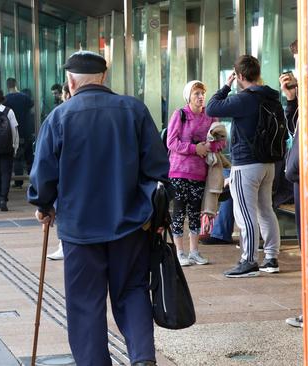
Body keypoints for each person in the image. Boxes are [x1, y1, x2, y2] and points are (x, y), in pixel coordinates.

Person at [29, 50, 168, 366]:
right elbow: (158, 168)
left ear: (71, 81)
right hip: (130, 223)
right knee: (132, 289)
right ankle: (143, 357)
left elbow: (44, 173)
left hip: (80, 230)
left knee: (85, 304)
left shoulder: (60, 117)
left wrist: (42, 203)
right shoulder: (134, 110)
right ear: (104, 77)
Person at [206, 55, 282, 278]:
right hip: (268, 163)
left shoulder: (245, 99)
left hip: (246, 164)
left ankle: (248, 261)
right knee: (265, 210)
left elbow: (212, 107)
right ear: (257, 73)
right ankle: (271, 258)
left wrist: (225, 85)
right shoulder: (271, 97)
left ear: (239, 76)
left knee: (246, 214)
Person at [167, 80, 223, 266]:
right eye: (196, 93)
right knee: (179, 212)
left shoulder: (211, 117)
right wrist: (194, 148)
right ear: (188, 96)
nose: (200, 97)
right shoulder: (180, 114)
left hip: (200, 173)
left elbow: (221, 141)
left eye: (202, 93)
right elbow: (171, 142)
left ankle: (194, 252)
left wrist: (209, 146)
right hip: (179, 172)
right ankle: (179, 252)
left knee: (195, 212)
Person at [281, 40, 303, 328]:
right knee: (305, 242)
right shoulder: (305, 94)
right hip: (301, 176)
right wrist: (291, 100)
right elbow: (293, 129)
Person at [46, 82, 72, 261]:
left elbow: (46, 160)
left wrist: (42, 201)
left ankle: (64, 244)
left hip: (66, 176)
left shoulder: (60, 115)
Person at [5, 78, 35, 188]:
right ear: (16, 84)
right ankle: (34, 179)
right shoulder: (25, 97)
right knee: (29, 157)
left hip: (15, 131)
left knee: (17, 157)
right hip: (26, 130)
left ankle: (18, 182)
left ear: (7, 86)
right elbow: (31, 110)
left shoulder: (6, 99)